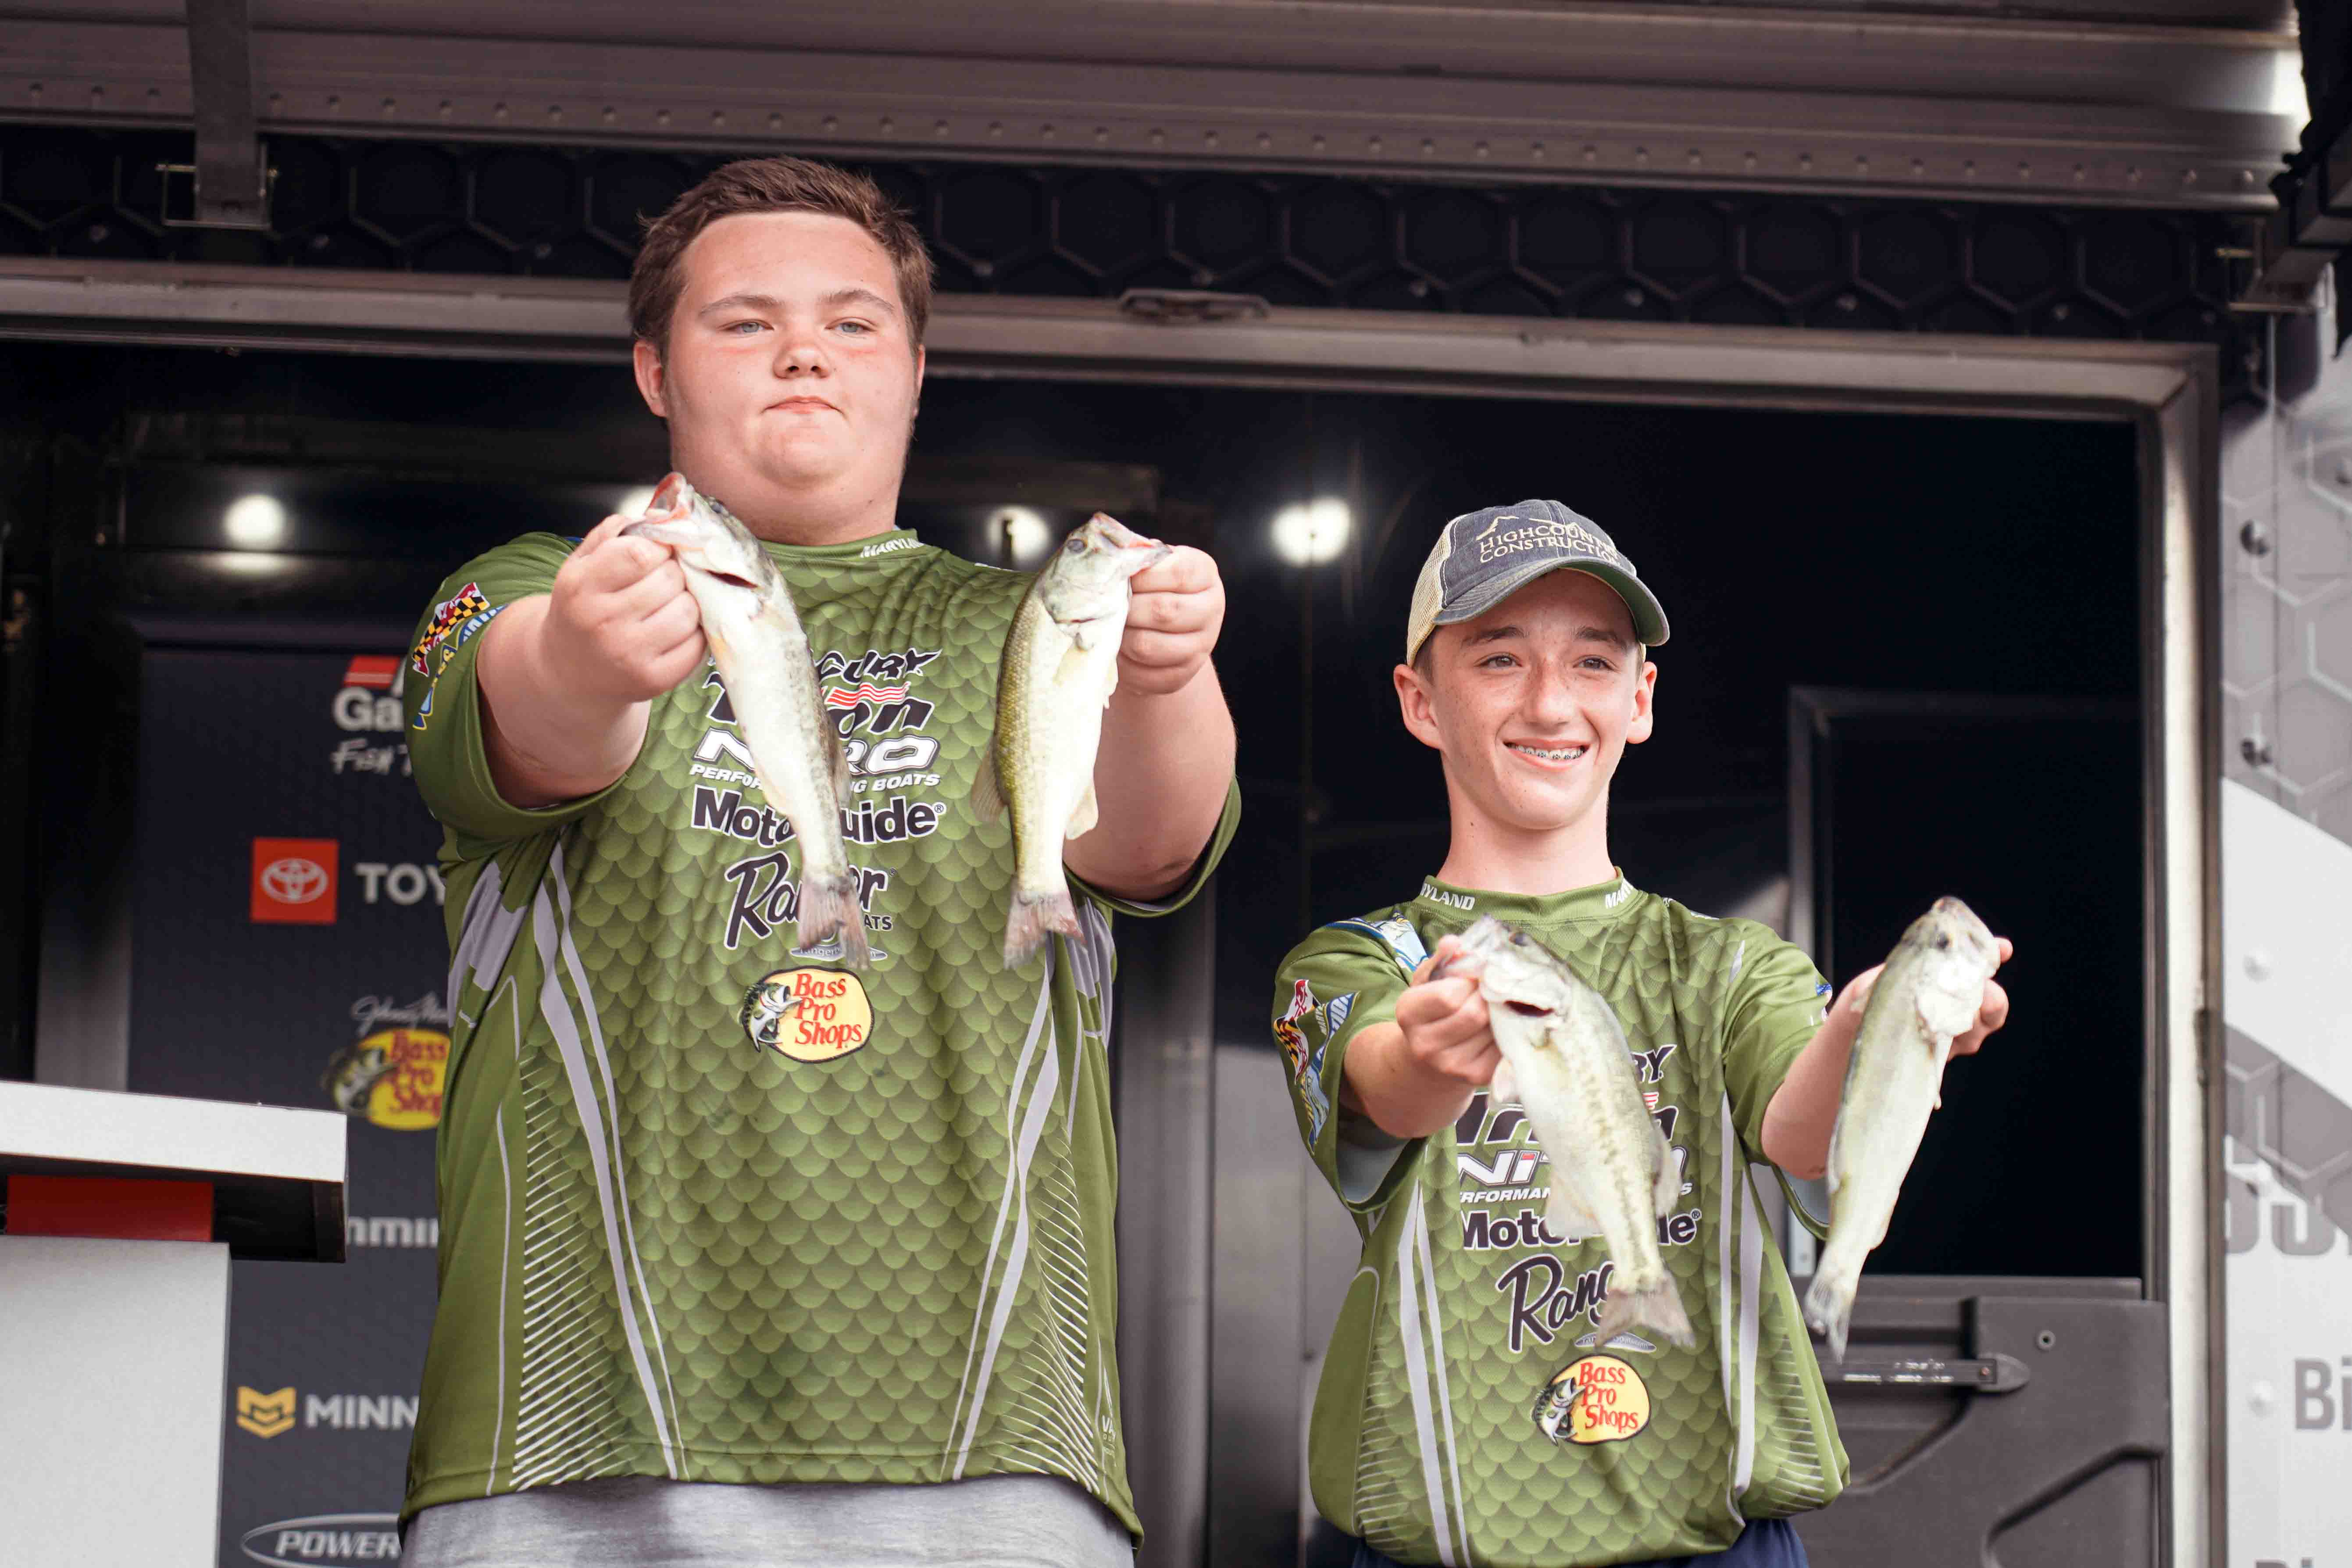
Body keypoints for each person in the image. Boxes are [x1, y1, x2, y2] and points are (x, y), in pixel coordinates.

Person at [396, 155, 1238, 1568]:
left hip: (992, 1452)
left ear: (914, 372)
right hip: (571, 1451)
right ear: (654, 371)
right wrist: (588, 656)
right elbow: (540, 719)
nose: (804, 350)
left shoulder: (1032, 620)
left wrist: (1161, 671)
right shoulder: (536, 585)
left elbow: (1151, 847)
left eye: (852, 323)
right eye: (746, 322)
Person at [1269, 501, 2011, 1568]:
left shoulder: (1733, 965)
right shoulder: (1356, 962)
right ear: (1420, 701)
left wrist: (1875, 1021)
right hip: (1445, 1543)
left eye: (1592, 660)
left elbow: (1804, 1135)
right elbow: (1386, 1082)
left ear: (1640, 698)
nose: (1549, 701)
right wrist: (1429, 1053)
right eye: (1499, 658)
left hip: (1719, 1542)